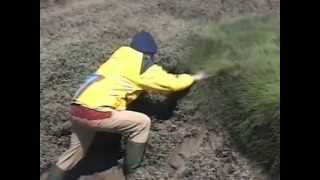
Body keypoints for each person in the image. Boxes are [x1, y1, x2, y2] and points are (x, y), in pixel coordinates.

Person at [43, 31, 207, 180]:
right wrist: (193, 78)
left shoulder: (119, 55)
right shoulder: (143, 65)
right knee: (142, 122)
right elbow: (170, 84)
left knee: (75, 152)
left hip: (76, 109)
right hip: (96, 112)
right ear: (150, 53)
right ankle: (134, 173)